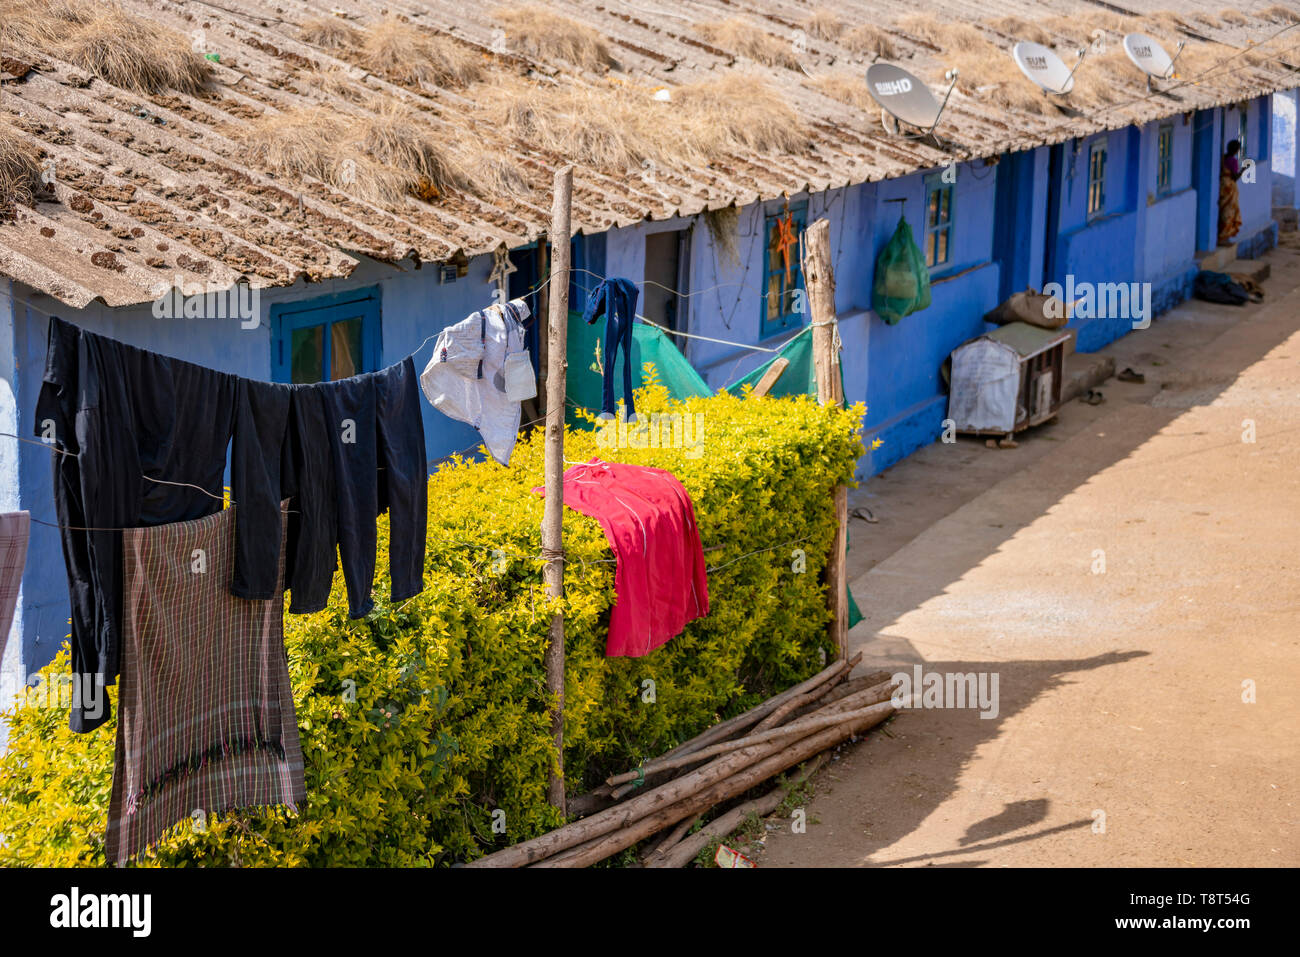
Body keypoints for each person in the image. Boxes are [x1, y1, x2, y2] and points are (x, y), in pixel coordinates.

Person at [1218, 139, 1244, 246]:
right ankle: (1224, 236)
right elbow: (1235, 177)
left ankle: (1222, 236)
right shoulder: (1232, 161)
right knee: (1229, 212)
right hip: (1229, 186)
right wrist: (1243, 170)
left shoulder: (1223, 157)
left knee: (1223, 210)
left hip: (1222, 186)